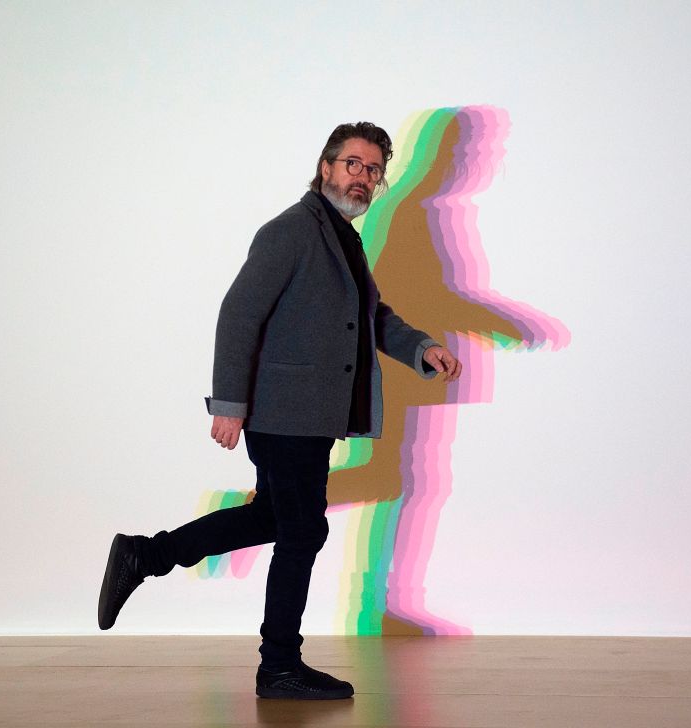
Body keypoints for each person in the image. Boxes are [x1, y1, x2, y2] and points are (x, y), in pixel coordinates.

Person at [97, 121, 461, 700]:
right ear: (326, 166)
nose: (363, 177)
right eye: (353, 164)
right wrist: (230, 404)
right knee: (302, 531)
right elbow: (238, 314)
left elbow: (370, 316)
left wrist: (421, 347)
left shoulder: (342, 237)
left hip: (310, 418)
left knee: (275, 519)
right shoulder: (291, 231)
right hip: (282, 415)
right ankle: (278, 667)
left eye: (372, 170)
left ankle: (147, 554)